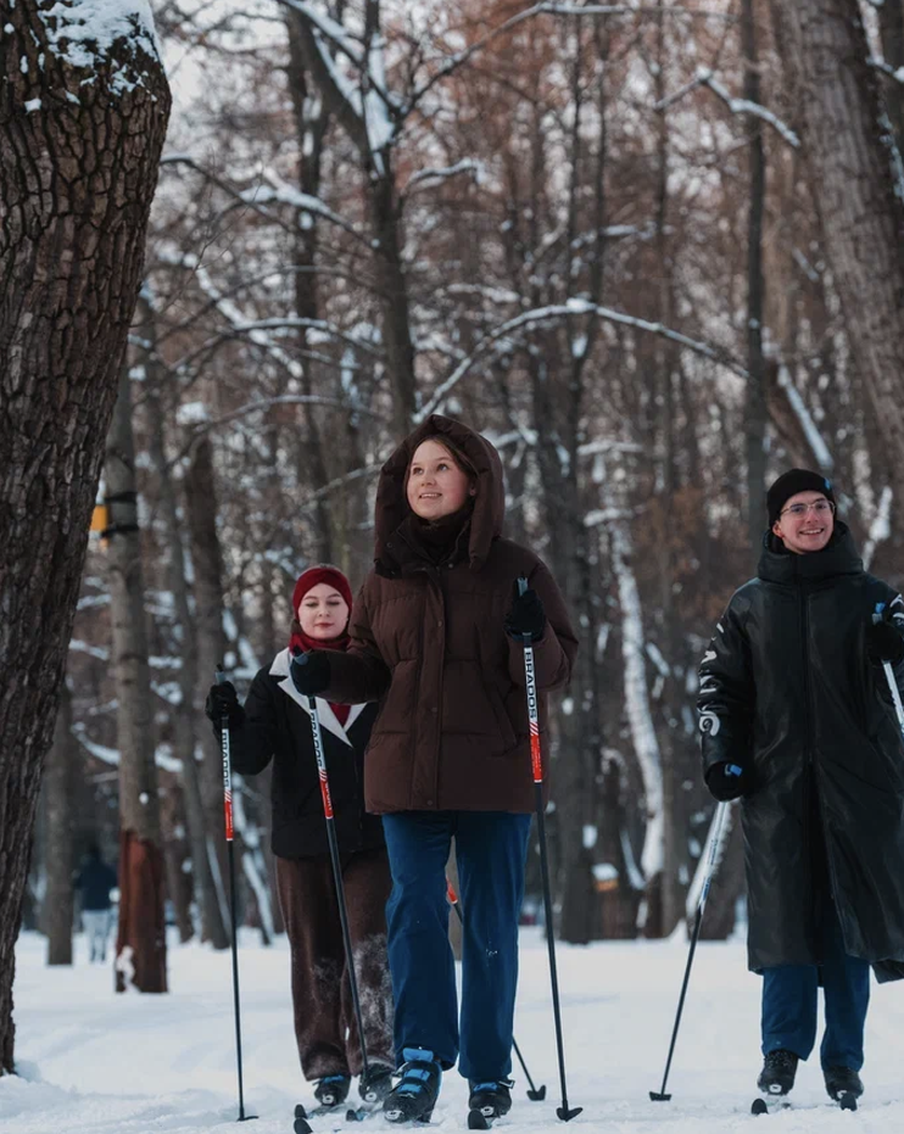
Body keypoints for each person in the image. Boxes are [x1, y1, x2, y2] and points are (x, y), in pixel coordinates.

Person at [288, 415, 577, 1124]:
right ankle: (418, 1059)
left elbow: (553, 667)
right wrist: (325, 671)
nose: (426, 480)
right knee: (414, 911)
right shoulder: (385, 575)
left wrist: (531, 633)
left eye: (441, 467)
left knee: (489, 925)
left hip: (493, 773)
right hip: (406, 776)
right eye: (416, 470)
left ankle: (488, 1071)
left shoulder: (517, 568)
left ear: (474, 483)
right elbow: (369, 668)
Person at [698, 468, 904, 1107]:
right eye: (797, 509)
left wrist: (895, 648)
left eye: (821, 506)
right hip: (776, 789)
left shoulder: (875, 599)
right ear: (776, 524)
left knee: (849, 925)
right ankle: (781, 1053)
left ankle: (844, 1062)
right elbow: (719, 690)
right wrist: (721, 757)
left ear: (834, 515)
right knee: (785, 923)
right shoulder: (748, 606)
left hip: (861, 791)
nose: (812, 517)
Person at [205, 566, 394, 1110]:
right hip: (302, 839)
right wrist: (227, 721)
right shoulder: (277, 677)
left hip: (372, 832)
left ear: (350, 609)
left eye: (334, 601)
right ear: (297, 612)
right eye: (312, 603)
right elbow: (250, 758)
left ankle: (376, 1059)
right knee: (316, 953)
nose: (323, 612)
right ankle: (325, 1065)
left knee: (370, 946)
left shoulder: (373, 668)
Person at [75, 843, 117, 963]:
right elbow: (115, 883)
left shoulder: (84, 869)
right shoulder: (106, 869)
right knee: (104, 933)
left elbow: (76, 884)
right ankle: (103, 951)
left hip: (88, 907)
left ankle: (92, 951)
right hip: (104, 906)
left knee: (91, 933)